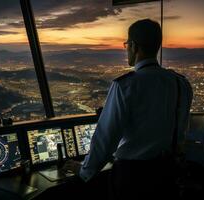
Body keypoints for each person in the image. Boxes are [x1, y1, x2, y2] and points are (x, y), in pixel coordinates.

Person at [63, 19, 193, 199]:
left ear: (133, 46)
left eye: (126, 44)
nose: (126, 49)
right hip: (167, 174)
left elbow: (105, 139)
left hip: (132, 178)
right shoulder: (181, 84)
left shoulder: (125, 86)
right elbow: (181, 132)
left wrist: (84, 170)